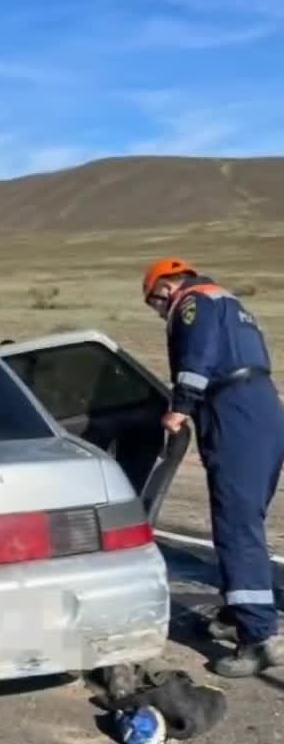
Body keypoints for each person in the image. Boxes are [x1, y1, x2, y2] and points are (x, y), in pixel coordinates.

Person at [143, 257, 284, 676]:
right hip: (263, 406)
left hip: (233, 410)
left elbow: (197, 354)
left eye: (154, 302)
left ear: (166, 286)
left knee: (236, 524)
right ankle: (240, 608)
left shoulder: (193, 303)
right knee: (247, 517)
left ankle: (259, 638)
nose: (158, 311)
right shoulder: (229, 301)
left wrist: (179, 408)